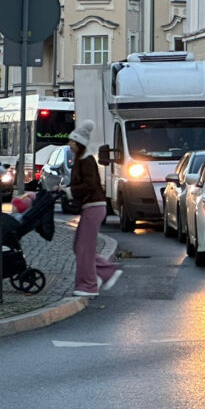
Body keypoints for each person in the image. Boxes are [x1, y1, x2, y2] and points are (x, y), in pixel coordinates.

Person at [66, 119, 122, 297]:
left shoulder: (87, 160)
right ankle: (107, 271)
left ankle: (89, 285)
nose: (69, 144)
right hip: (90, 206)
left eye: (72, 141)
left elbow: (90, 185)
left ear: (79, 144)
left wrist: (70, 190)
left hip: (94, 206)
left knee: (84, 248)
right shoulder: (80, 160)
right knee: (80, 246)